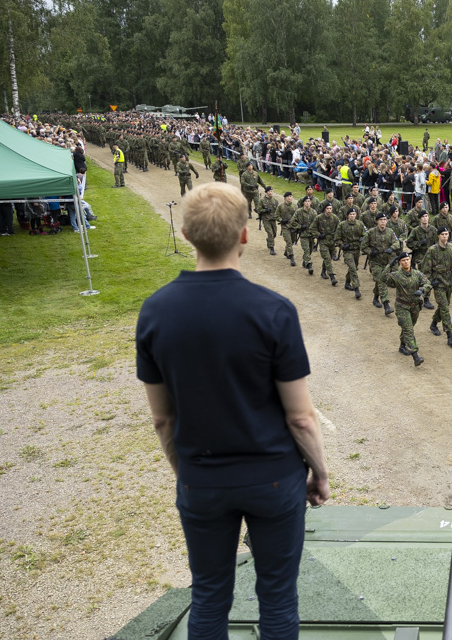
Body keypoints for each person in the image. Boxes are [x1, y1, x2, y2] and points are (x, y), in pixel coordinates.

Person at [136, 182, 331, 639]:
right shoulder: (274, 311)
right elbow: (301, 417)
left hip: (203, 480)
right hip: (274, 479)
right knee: (278, 597)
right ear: (245, 235)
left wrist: (187, 471)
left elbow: (163, 419)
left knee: (208, 596)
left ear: (185, 234)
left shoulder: (156, 312)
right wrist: (319, 473)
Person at [385, 251, 432, 367]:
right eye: (403, 261)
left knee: (408, 328)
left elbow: (428, 283)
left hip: (415, 307)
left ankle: (402, 345)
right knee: (409, 330)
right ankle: (415, 355)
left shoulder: (417, 274)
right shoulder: (396, 275)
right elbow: (382, 278)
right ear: (400, 263)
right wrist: (389, 266)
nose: (406, 262)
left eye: (407, 260)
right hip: (402, 307)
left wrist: (422, 290)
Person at [422, 226, 452, 347]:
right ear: (438, 236)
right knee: (444, 307)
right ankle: (450, 336)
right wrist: (430, 281)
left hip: (449, 282)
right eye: (443, 234)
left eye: (447, 234)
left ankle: (434, 323)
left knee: (444, 305)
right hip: (438, 283)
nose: (445, 236)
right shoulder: (432, 250)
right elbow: (425, 270)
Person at [363, 211, 399, 314]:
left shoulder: (390, 232)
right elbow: (363, 246)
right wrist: (371, 252)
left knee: (380, 281)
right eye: (381, 220)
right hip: (375, 263)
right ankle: (386, 304)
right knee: (382, 280)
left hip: (387, 263)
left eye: (384, 220)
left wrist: (391, 249)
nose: (383, 222)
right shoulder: (371, 232)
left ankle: (375, 297)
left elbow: (397, 243)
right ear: (377, 221)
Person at [335, 207, 366, 300]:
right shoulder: (342, 225)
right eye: (350, 214)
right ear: (347, 215)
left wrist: (363, 238)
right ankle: (357, 289)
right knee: (353, 268)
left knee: (353, 267)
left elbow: (366, 234)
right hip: (347, 251)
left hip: (357, 250)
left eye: (354, 214)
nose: (352, 216)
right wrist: (342, 246)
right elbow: (337, 238)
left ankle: (347, 282)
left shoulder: (360, 224)